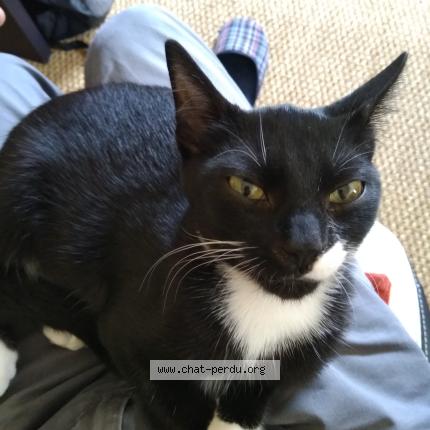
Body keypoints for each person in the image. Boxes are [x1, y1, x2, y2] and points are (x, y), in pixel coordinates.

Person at [0, 5, 429, 429]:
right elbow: (126, 341)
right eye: (251, 192)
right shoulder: (174, 295)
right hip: (55, 174)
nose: (307, 245)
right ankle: (232, 114)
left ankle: (237, 116)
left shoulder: (315, 334)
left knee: (127, 33)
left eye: (344, 193)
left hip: (167, 160)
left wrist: (241, 409)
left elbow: (230, 369)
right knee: (134, 31)